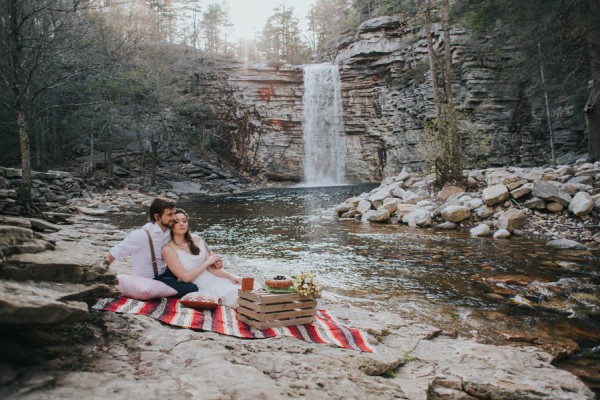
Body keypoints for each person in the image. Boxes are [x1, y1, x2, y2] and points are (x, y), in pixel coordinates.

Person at [105, 197, 198, 297]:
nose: (174, 217)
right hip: (149, 280)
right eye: (170, 214)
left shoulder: (168, 230)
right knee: (192, 288)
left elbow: (188, 239)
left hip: (165, 274)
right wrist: (99, 276)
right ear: (157, 217)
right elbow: (113, 254)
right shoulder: (141, 235)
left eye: (174, 213)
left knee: (189, 264)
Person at [162, 208, 243, 308]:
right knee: (235, 295)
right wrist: (207, 262)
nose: (182, 224)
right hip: (200, 285)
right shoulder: (168, 249)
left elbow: (211, 269)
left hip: (214, 277)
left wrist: (230, 276)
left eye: (184, 221)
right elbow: (185, 278)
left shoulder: (196, 239)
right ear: (170, 225)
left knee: (245, 285)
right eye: (177, 222)